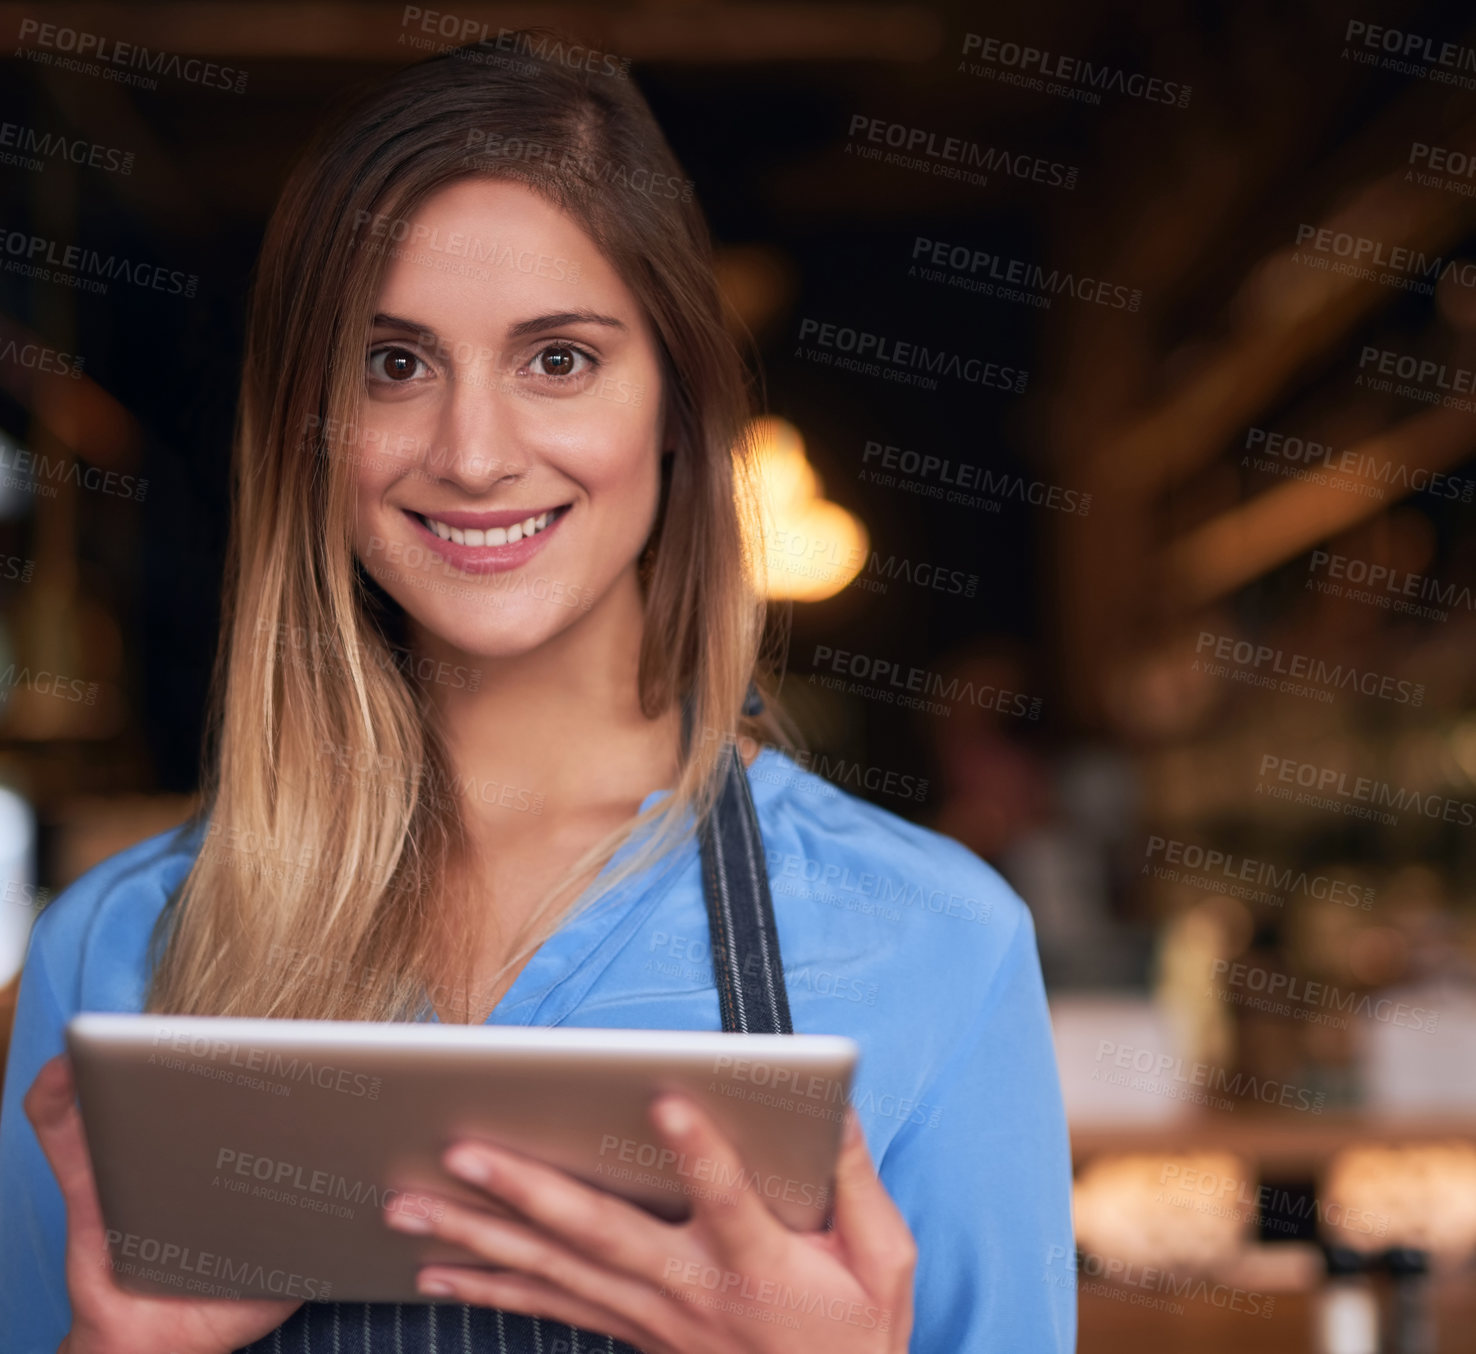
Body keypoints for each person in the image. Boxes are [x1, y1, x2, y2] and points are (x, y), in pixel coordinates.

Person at [0, 31, 1075, 1354]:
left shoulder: (939, 945)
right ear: (305, 424)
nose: (473, 452)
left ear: (676, 404)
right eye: (392, 363)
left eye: (557, 358)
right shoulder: (112, 953)